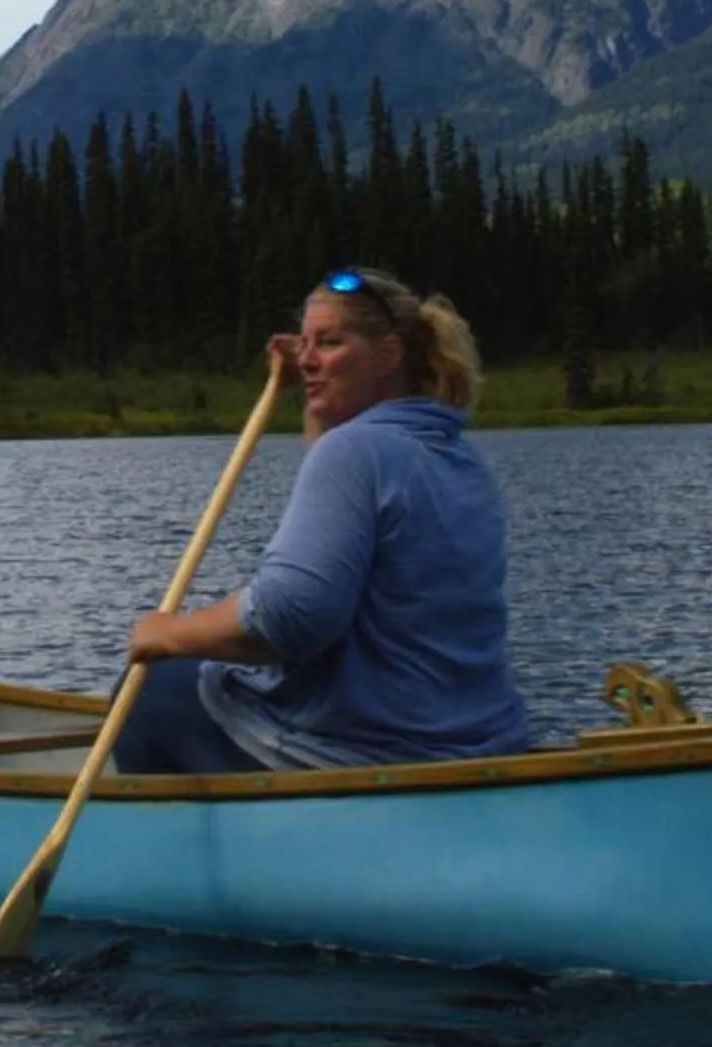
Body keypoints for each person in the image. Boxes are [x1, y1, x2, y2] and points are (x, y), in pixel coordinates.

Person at [115, 267, 530, 774]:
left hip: (373, 749)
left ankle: (177, 850)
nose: (308, 359)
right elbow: (338, 466)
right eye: (304, 344)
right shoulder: (451, 453)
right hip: (476, 738)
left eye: (330, 343)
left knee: (151, 684)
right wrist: (309, 390)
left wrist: (167, 634)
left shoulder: (355, 452)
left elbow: (289, 618)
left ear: (388, 354)